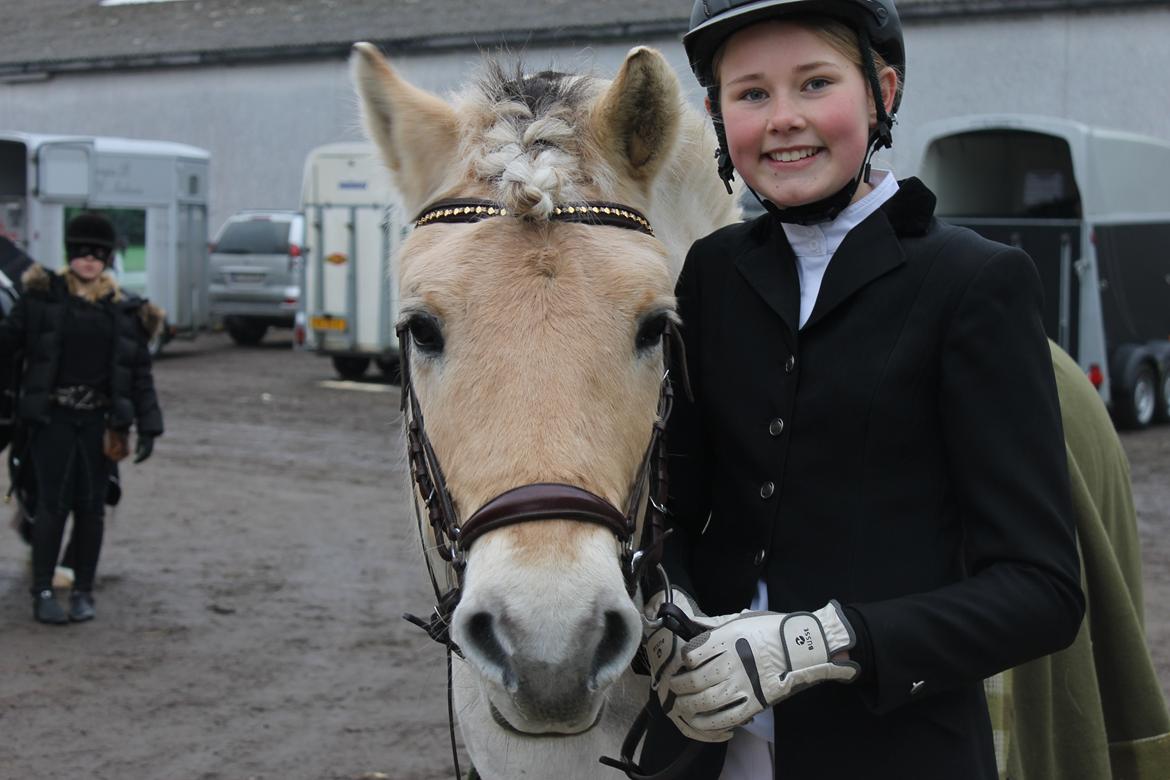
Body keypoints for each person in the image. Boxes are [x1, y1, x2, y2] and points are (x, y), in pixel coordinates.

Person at [638, 2, 1085, 778]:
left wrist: (826, 642)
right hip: (708, 747)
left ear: (882, 89)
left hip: (895, 751)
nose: (783, 119)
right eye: (751, 95)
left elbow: (1041, 590)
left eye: (814, 84)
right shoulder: (711, 273)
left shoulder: (974, 282)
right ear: (715, 114)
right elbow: (672, 504)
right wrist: (670, 614)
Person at [0, 212, 163, 625]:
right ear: (69, 254)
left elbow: (139, 374)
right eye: (80, 253)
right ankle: (42, 592)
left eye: (97, 254)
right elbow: (5, 351)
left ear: (107, 259)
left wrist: (148, 425)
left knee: (91, 509)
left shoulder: (125, 311)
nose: (88, 261)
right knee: (51, 507)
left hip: (100, 423)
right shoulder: (41, 300)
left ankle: (84, 591)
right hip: (51, 419)